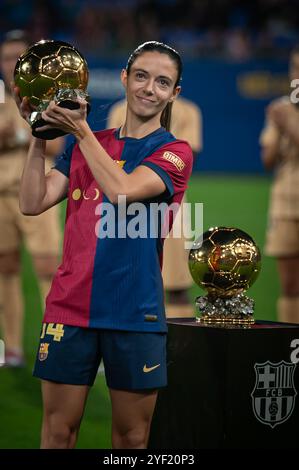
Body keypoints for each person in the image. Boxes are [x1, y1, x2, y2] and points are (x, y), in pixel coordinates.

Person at [14, 41, 193, 449]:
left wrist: (79, 131)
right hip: (70, 307)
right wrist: (38, 135)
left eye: (163, 82)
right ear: (125, 79)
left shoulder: (174, 152)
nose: (150, 89)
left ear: (174, 94)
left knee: (131, 439)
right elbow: (31, 202)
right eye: (142, 76)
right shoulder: (85, 143)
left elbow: (124, 191)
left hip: (135, 311)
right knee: (58, 433)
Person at [0, 30, 64, 367]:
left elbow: (54, 145)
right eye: (6, 56)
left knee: (47, 269)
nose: (10, 62)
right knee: (5, 268)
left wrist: (18, 135)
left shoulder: (43, 93)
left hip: (39, 195)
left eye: (16, 56)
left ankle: (54, 343)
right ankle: (11, 347)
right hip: (0, 197)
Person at [107, 95, 202, 318]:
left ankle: (177, 351)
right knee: (124, 284)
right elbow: (114, 158)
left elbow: (186, 159)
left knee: (176, 287)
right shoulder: (119, 110)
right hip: (126, 207)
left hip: (171, 204)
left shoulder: (188, 110)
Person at [260, 45, 299, 323]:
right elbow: (268, 161)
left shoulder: (287, 115)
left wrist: (290, 125)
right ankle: (291, 344)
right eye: (295, 67)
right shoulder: (282, 108)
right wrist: (279, 127)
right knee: (290, 286)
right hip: (285, 203)